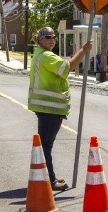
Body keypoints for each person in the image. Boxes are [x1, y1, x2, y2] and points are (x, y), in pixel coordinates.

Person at [28, 26, 92, 191]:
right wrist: (83, 50)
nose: (51, 40)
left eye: (53, 37)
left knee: (45, 146)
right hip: (49, 108)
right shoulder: (47, 56)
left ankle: (49, 177)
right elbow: (67, 67)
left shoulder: (41, 54)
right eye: (47, 37)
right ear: (40, 40)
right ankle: (49, 180)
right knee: (46, 146)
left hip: (46, 107)